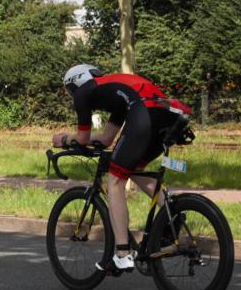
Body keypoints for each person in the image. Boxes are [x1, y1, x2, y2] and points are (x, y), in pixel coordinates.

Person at [53, 64, 192, 274]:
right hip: (168, 113)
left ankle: (122, 254)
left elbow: (82, 138)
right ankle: (173, 215)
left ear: (75, 82)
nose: (72, 95)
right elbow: (106, 139)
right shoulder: (116, 94)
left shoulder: (83, 92)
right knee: (134, 169)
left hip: (144, 110)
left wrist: (65, 138)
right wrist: (84, 140)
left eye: (69, 90)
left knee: (115, 180)